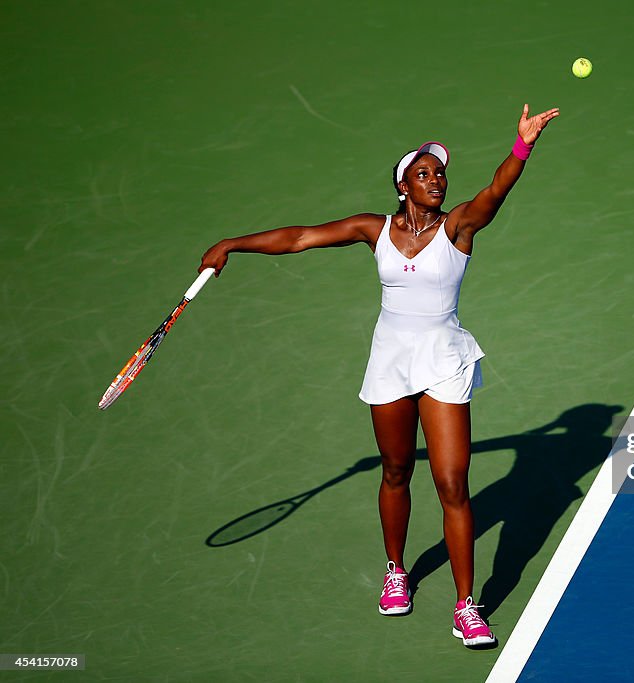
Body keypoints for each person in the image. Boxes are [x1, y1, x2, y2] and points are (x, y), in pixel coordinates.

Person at [198, 104, 559, 648]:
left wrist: (522, 147)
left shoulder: (458, 226)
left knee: (452, 483)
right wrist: (232, 243)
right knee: (395, 470)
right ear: (402, 186)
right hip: (390, 358)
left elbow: (495, 193)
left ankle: (467, 606)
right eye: (424, 173)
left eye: (439, 173)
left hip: (443, 360)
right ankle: (397, 572)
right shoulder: (375, 229)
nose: (436, 179)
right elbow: (301, 238)